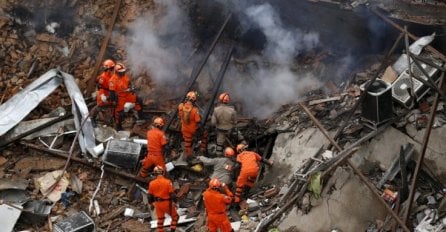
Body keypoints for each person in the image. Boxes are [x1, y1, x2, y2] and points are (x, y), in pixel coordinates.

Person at [108, 63, 142, 130]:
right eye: (121, 72)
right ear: (117, 72)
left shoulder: (125, 76)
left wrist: (131, 88)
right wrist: (113, 101)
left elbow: (129, 83)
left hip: (128, 94)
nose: (123, 73)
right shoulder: (112, 80)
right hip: (120, 97)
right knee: (119, 112)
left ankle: (140, 116)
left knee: (139, 100)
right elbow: (112, 92)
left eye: (124, 71)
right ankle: (118, 126)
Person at [148, 166, 178, 232]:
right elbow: (172, 195)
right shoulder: (168, 182)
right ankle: (172, 230)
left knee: (160, 219)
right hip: (166, 203)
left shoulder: (151, 183)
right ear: (163, 172)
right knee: (175, 217)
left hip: (157, 204)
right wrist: (175, 202)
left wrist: (151, 204)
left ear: (155, 173)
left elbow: (149, 196)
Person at [178, 91, 206, 160]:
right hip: (193, 130)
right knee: (205, 134)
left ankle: (189, 156)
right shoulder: (194, 110)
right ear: (194, 100)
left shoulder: (180, 106)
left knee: (187, 143)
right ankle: (202, 149)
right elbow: (198, 121)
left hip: (184, 129)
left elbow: (180, 115)